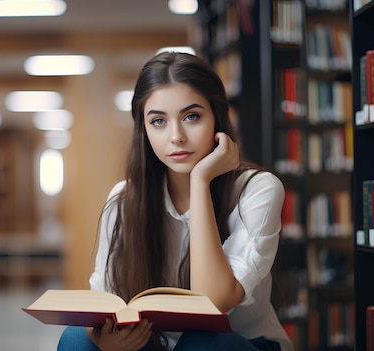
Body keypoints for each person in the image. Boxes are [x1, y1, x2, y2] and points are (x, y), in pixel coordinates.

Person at [57, 51, 292, 351]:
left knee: (200, 344)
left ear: (217, 118)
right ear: (143, 130)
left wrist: (201, 181)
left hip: (234, 343)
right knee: (75, 341)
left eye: (191, 116)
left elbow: (213, 303)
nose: (176, 136)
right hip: (154, 344)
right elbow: (104, 300)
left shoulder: (258, 190)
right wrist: (103, 340)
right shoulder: (123, 199)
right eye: (158, 121)